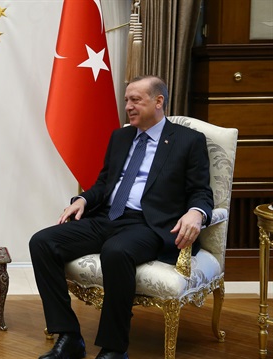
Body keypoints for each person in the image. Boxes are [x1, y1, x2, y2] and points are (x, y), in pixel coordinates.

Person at [29, 75, 213, 359]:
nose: (128, 106)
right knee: (42, 242)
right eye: (127, 100)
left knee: (116, 252)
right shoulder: (121, 136)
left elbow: (201, 191)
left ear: (158, 101)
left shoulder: (188, 141)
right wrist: (83, 199)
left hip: (150, 224)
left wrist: (196, 213)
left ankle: (114, 349)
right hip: (108, 217)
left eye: (136, 100)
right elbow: (105, 183)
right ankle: (68, 337)